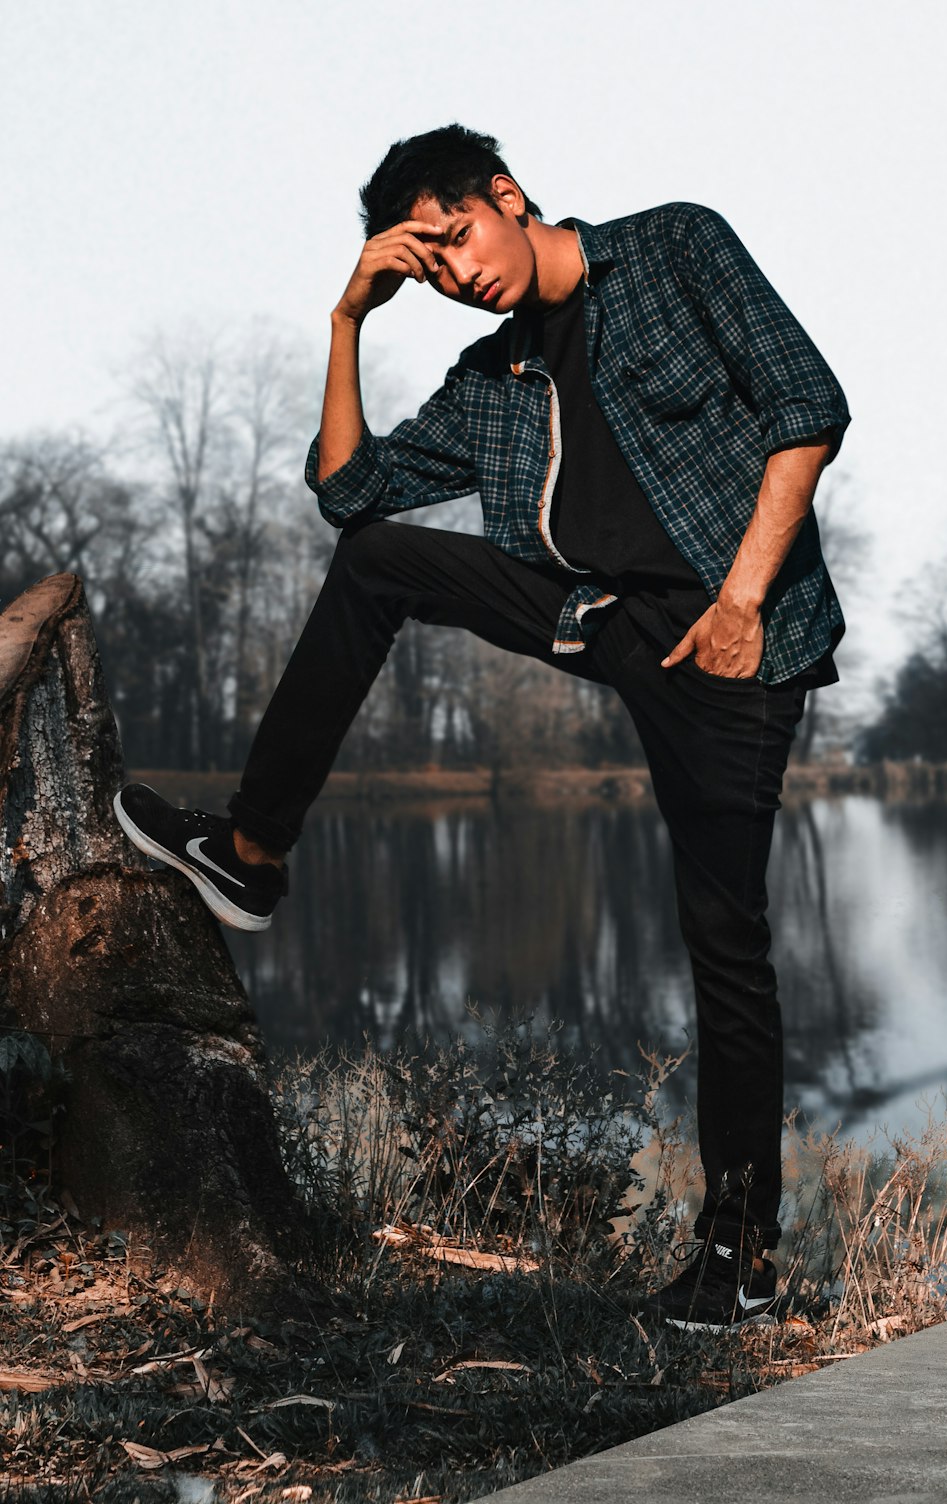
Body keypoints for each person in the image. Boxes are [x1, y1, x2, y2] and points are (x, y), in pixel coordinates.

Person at [114, 123, 851, 1331]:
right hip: (593, 615)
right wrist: (349, 319)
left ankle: (740, 1258)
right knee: (378, 557)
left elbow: (805, 408)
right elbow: (348, 489)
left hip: (732, 649)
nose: (457, 274)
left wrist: (741, 601)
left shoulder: (674, 248)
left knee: (725, 939)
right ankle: (250, 850)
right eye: (431, 268)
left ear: (505, 197)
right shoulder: (495, 381)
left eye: (457, 238)